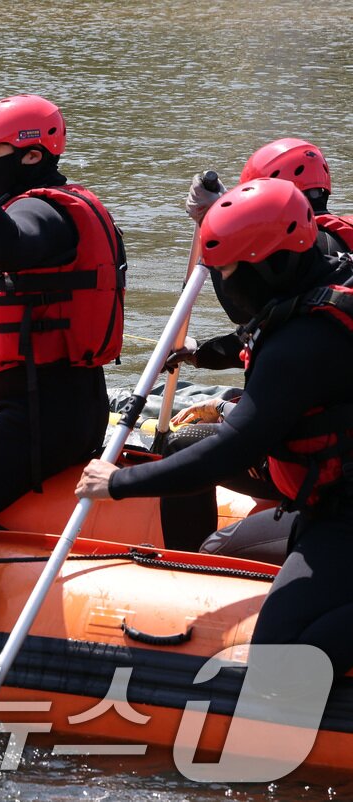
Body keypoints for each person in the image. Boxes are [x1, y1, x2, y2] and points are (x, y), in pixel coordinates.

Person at [77, 176, 353, 675]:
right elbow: (257, 325)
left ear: (271, 265)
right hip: (323, 503)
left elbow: (227, 452)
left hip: (344, 517)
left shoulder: (306, 344)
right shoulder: (320, 274)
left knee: (280, 659)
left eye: (228, 272)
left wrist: (117, 482)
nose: (224, 284)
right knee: (215, 542)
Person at [0, 95, 125, 523]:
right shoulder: (38, 203)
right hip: (53, 407)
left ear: (32, 155)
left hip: (41, 419)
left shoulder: (44, 211)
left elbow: (6, 247)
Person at [161, 138, 353, 553]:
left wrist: (217, 223)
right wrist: (203, 353)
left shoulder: (306, 256)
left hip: (326, 471)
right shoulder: (336, 253)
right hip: (322, 431)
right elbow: (268, 330)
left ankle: (185, 564)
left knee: (181, 444)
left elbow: (247, 314)